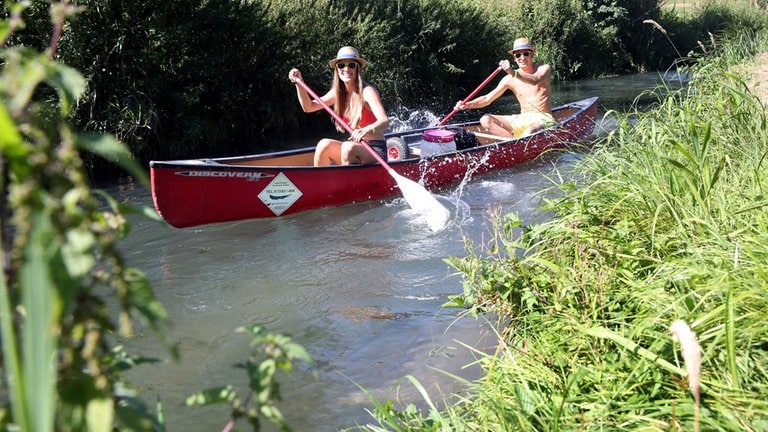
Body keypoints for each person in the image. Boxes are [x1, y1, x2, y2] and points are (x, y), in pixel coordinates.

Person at [288, 46, 390, 166]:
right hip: (355, 148)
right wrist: (299, 84)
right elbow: (309, 107)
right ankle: (323, 183)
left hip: (375, 150)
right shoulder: (337, 93)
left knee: (348, 147)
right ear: (337, 69)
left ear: (358, 69)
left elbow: (385, 121)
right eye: (341, 65)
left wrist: (366, 130)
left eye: (351, 65)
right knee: (323, 144)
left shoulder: (367, 91)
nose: (346, 69)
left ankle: (349, 183)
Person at [454, 37, 555, 138]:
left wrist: (512, 72)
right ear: (514, 58)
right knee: (485, 119)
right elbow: (486, 99)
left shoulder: (544, 68)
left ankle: (517, 145)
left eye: (526, 53)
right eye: (518, 55)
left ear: (532, 55)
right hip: (522, 118)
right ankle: (513, 144)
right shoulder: (509, 79)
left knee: (530, 131)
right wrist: (466, 105)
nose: (522, 58)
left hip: (543, 118)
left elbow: (535, 80)